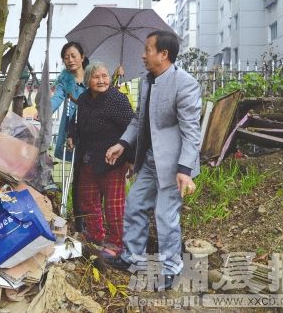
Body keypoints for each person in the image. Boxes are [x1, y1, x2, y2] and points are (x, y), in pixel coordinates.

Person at [105, 31, 201, 290]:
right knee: (134, 205)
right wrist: (122, 143)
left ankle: (172, 268)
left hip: (173, 165)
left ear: (163, 54)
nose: (143, 55)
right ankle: (131, 257)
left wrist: (185, 169)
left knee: (165, 215)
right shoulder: (147, 81)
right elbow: (138, 119)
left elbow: (192, 131)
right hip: (149, 161)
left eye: (148, 49)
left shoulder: (185, 83)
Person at [66, 62, 135, 256]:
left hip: (112, 161)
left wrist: (130, 157)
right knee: (87, 200)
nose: (102, 80)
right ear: (88, 80)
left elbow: (132, 128)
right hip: (88, 158)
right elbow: (75, 120)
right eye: (96, 77)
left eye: (105, 76)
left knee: (114, 206)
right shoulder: (84, 99)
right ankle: (95, 235)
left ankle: (116, 243)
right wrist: (71, 134)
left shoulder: (117, 99)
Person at [50, 42, 88, 161]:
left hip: (91, 125)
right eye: (66, 58)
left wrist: (117, 74)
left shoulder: (93, 76)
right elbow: (57, 97)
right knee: (76, 164)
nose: (70, 60)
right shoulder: (64, 80)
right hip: (72, 125)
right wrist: (44, 111)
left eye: (73, 56)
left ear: (82, 57)